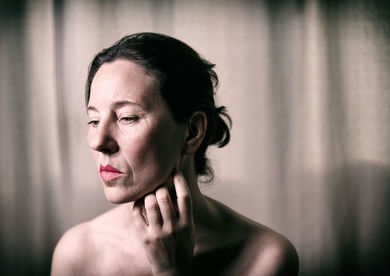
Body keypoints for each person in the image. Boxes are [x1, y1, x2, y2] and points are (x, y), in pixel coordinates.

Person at [51, 32, 298, 276]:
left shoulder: (266, 257)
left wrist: (171, 271)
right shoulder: (77, 253)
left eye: (127, 118)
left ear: (192, 132)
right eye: (93, 120)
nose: (98, 141)